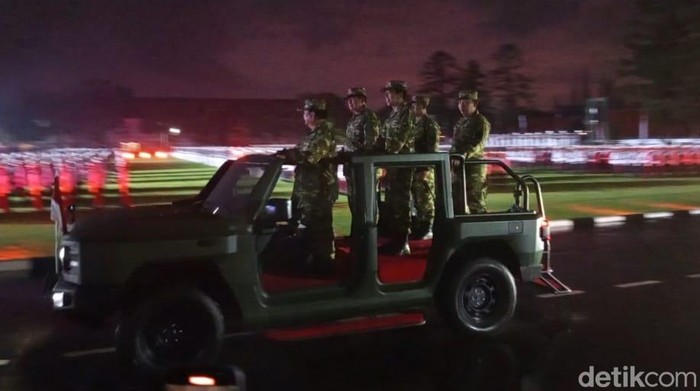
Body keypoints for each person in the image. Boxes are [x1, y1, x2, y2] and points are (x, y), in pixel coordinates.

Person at [276, 99, 339, 275]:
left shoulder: (323, 134)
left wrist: (288, 155)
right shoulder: (311, 135)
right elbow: (300, 152)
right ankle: (314, 260)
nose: (303, 117)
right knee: (309, 226)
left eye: (305, 113)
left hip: (319, 190)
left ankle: (325, 265)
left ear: (312, 114)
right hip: (308, 189)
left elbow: (310, 157)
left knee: (320, 228)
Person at [377, 80, 415, 255]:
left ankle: (402, 242)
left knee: (401, 203)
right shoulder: (392, 115)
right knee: (392, 203)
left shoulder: (406, 114)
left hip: (403, 166)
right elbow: (382, 139)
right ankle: (395, 240)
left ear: (400, 95)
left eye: (390, 93)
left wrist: (380, 149)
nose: (387, 96)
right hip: (393, 166)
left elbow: (396, 144)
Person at [343, 87, 380, 233]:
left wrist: (355, 151)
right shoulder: (353, 119)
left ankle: (368, 235)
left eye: (354, 99)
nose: (350, 103)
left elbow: (371, 144)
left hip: (363, 168)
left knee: (366, 202)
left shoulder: (369, 117)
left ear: (363, 101)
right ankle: (357, 232)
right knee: (354, 201)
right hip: (352, 167)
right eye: (349, 100)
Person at [451, 90, 491, 213]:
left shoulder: (481, 122)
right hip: (459, 168)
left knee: (475, 204)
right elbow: (455, 146)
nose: (461, 106)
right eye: (460, 103)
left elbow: (478, 144)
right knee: (458, 202)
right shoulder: (460, 123)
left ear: (475, 104)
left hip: (474, 169)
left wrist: (462, 156)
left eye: (465, 103)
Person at [410, 95, 441, 239]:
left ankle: (429, 228)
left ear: (423, 106)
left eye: (417, 105)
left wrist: (427, 168)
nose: (414, 108)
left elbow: (432, 148)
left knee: (426, 199)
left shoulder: (430, 124)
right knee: (416, 199)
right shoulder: (412, 123)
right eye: (413, 105)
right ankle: (420, 226)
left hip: (424, 168)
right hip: (413, 167)